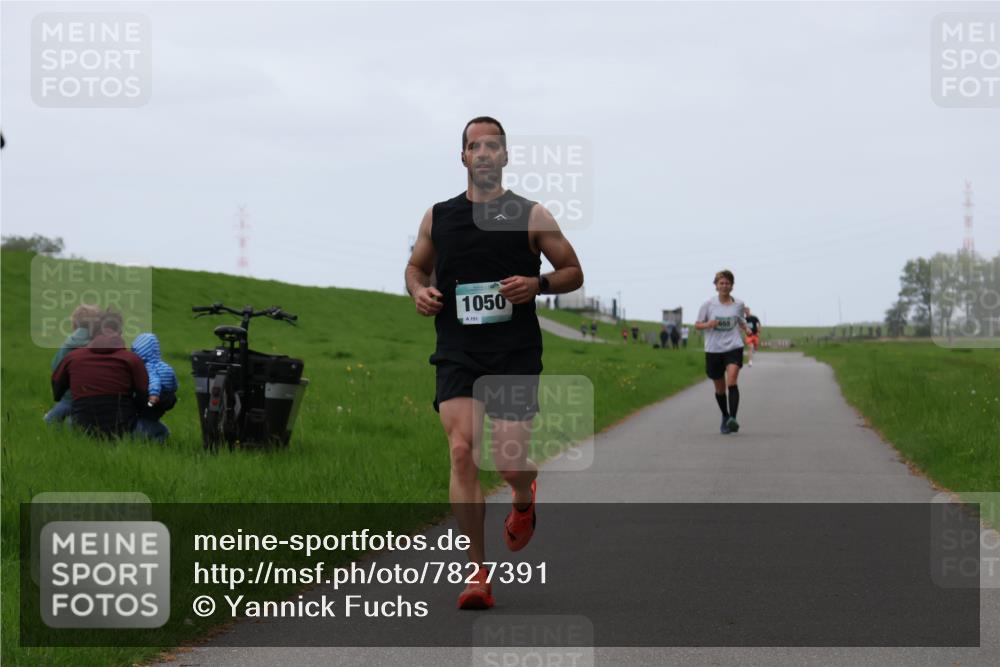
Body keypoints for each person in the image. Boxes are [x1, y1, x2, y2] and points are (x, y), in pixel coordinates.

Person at [405, 117, 584, 610]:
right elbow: (416, 266)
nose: (483, 153)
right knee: (462, 451)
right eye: (474, 146)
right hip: (458, 351)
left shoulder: (532, 216)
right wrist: (420, 290)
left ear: (504, 157)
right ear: (462, 157)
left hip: (514, 353)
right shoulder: (438, 217)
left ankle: (524, 497)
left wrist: (538, 285)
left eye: (493, 146)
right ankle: (477, 573)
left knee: (507, 461)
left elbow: (573, 271)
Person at [51, 310, 148, 438]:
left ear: (93, 331)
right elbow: (143, 395)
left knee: (68, 423)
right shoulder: (132, 359)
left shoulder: (72, 358)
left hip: (81, 428)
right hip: (122, 429)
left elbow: (57, 390)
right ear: (120, 332)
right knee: (156, 429)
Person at [694, 270, 748, 434]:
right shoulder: (708, 305)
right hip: (714, 350)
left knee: (732, 380)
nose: (724, 286)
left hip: (733, 347)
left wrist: (746, 328)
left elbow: (740, 321)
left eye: (727, 283)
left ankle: (733, 418)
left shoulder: (738, 304)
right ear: (716, 286)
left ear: (732, 286)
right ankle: (725, 416)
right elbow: (697, 324)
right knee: (720, 388)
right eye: (721, 283)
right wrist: (708, 324)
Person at [44, 304, 101, 425]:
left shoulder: (67, 345)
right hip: (97, 397)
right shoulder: (100, 344)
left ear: (74, 324)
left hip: (69, 397)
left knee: (50, 420)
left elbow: (56, 366)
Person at [131, 332, 179, 441]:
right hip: (166, 395)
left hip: (153, 397)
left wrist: (153, 394)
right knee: (154, 422)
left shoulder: (148, 367)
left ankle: (145, 440)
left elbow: (154, 380)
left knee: (146, 419)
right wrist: (173, 389)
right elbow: (174, 380)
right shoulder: (165, 366)